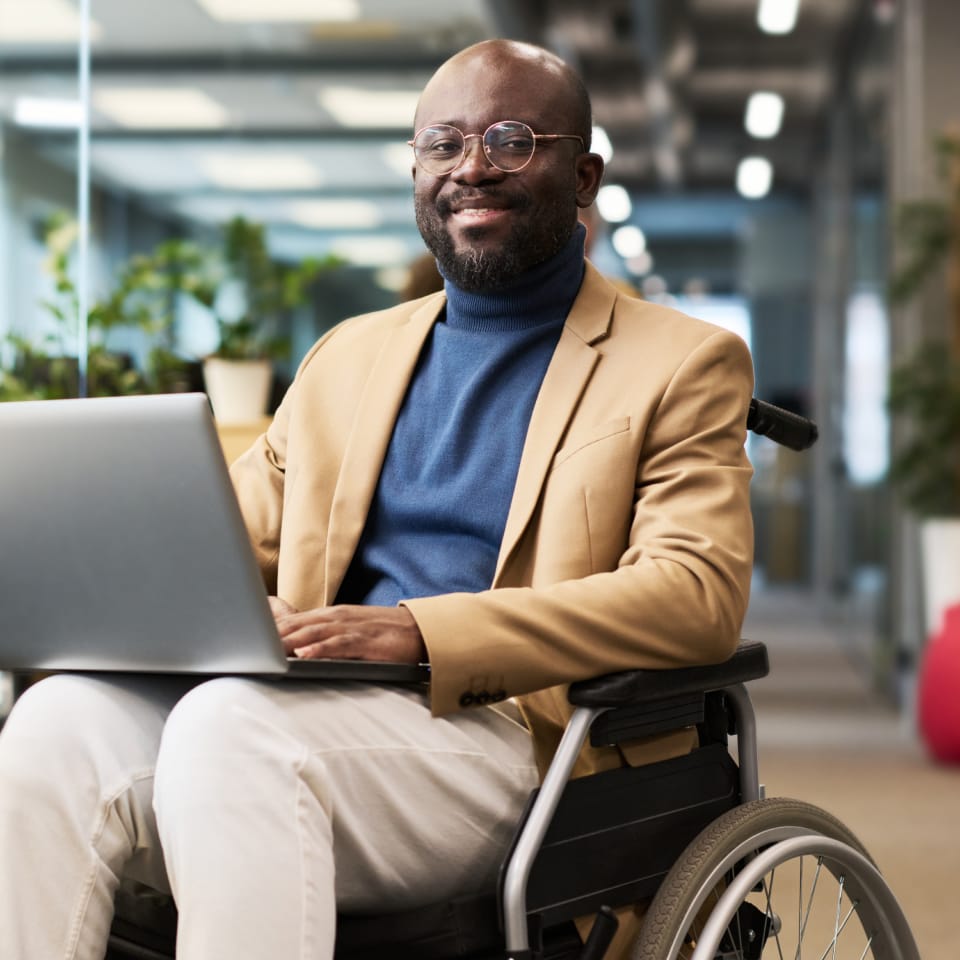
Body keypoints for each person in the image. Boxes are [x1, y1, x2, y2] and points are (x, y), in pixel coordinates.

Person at [0, 38, 754, 960]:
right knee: (56, 722)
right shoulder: (346, 356)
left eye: (512, 141)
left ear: (584, 173)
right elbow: (222, 543)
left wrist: (422, 631)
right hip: (305, 703)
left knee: (230, 729)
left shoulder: (680, 361)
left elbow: (696, 595)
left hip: (510, 736)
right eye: (443, 144)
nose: (471, 168)